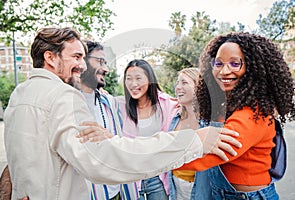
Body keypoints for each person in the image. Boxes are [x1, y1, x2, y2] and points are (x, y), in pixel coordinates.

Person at [3, 27, 241, 199]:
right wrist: (192, 141)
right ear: (50, 57)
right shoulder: (62, 95)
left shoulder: (19, 95)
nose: (83, 64)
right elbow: (102, 159)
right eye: (76, 56)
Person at [177, 32, 295, 199]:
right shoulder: (225, 106)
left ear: (253, 68)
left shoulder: (254, 115)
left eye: (235, 64)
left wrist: (148, 157)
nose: (224, 71)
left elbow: (207, 155)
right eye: (218, 63)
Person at [80, 41, 136, 200]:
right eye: (100, 62)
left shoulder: (108, 101)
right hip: (88, 193)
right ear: (82, 61)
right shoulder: (66, 103)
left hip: (116, 191)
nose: (105, 69)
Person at [117, 59, 178, 200]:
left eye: (138, 78)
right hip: (131, 180)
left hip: (158, 179)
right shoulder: (119, 107)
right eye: (129, 79)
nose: (133, 84)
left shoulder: (167, 104)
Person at [168, 68, 200, 200]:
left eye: (184, 83)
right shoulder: (176, 117)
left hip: (200, 188)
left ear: (198, 87)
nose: (178, 87)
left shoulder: (209, 120)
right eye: (177, 83)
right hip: (176, 185)